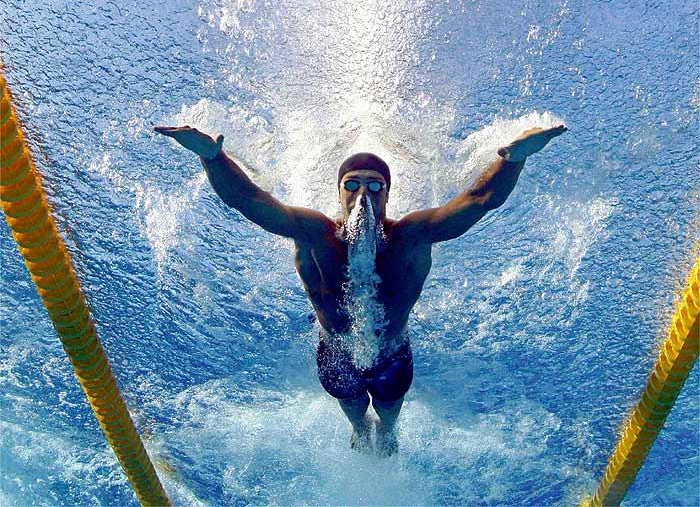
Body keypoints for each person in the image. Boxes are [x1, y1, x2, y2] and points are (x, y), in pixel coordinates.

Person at [154, 122, 567, 456]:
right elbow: (249, 199)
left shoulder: (411, 236)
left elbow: (477, 201)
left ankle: (385, 433)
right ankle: (358, 429)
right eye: (352, 184)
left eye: (374, 185)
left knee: (388, 420)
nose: (362, 194)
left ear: (387, 193)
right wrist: (213, 157)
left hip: (392, 355)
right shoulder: (314, 233)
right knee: (354, 415)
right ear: (338, 191)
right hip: (336, 356)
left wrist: (512, 161)